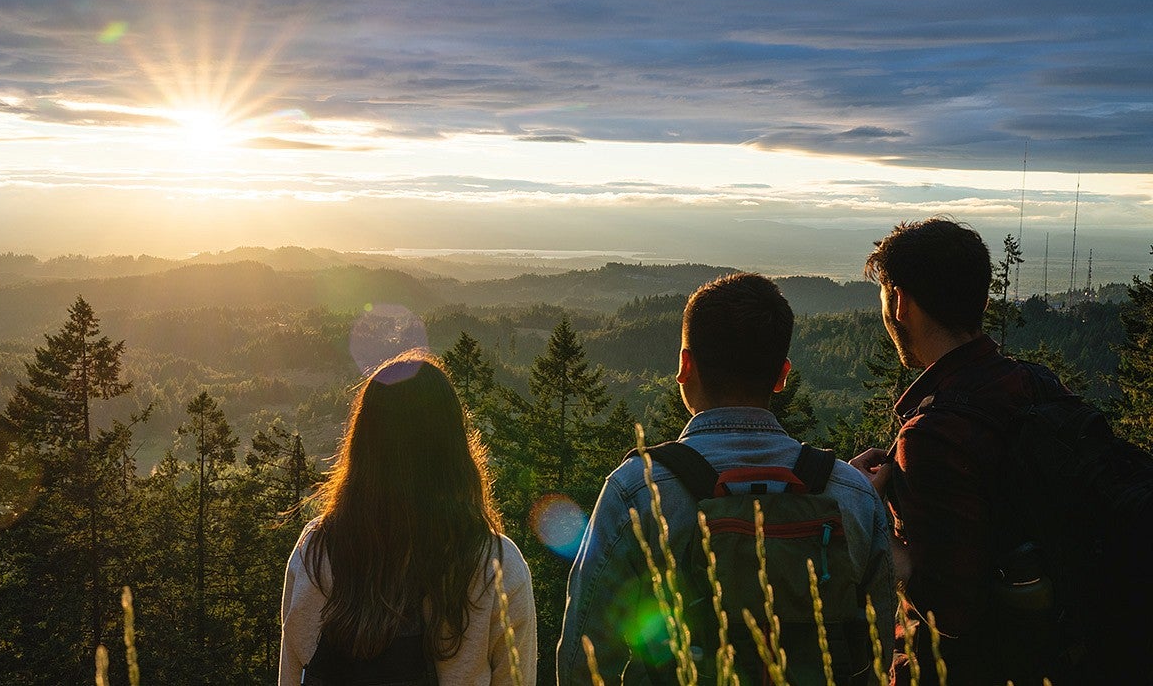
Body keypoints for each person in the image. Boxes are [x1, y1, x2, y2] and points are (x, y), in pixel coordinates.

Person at [559, 273, 894, 685]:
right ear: (782, 375)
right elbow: (876, 659)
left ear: (685, 365)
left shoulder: (638, 491)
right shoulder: (853, 495)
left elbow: (586, 658)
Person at [851, 216, 1111, 684]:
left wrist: (871, 514)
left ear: (900, 304)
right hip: (1060, 652)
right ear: (982, 300)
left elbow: (949, 612)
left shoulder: (933, 435)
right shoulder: (1035, 383)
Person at [279, 349, 536, 686]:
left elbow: (290, 676)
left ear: (361, 446)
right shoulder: (496, 567)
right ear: (455, 449)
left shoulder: (315, 553)